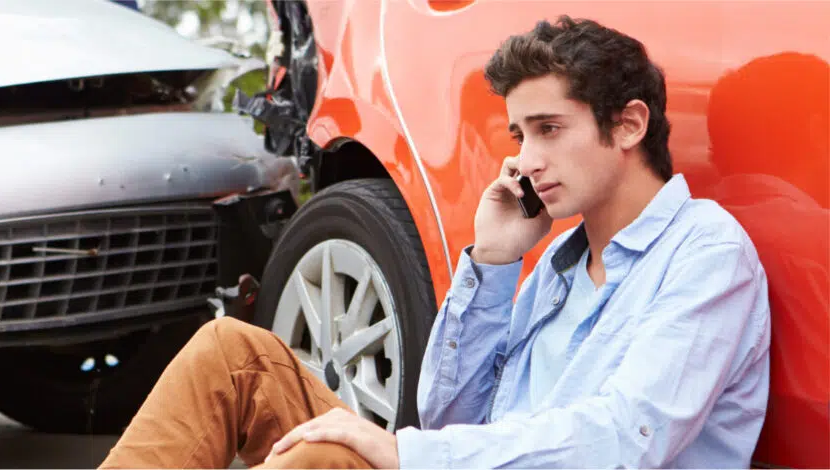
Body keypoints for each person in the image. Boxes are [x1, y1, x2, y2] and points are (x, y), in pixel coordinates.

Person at [98, 16, 771, 469]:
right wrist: (494, 264)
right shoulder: (559, 266)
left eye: (549, 129)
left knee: (325, 461)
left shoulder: (707, 257)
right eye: (520, 136)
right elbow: (450, 416)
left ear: (627, 126)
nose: (528, 159)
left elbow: (627, 441)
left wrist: (409, 456)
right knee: (232, 352)